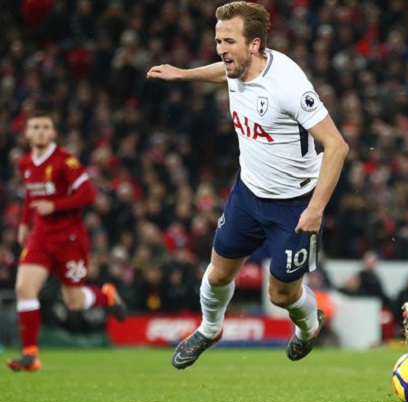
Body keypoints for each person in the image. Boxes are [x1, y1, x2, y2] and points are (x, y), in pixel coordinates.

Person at [146, 1, 348, 368]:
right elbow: (222, 73)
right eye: (218, 40)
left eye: (229, 42)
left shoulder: (287, 85)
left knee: (282, 294)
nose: (221, 49)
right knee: (219, 270)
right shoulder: (236, 68)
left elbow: (336, 146)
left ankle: (307, 328)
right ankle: (210, 328)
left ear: (254, 45)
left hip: (294, 204)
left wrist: (315, 210)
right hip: (249, 193)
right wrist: (184, 74)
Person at [8, 111, 127, 372]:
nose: (40, 131)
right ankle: (30, 354)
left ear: (53, 133)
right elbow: (30, 196)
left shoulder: (65, 161)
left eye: (45, 127)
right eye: (35, 127)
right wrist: (24, 224)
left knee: (73, 302)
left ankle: (105, 296)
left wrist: (55, 205)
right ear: (27, 134)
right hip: (40, 237)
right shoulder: (26, 163)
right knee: (24, 289)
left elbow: (88, 193)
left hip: (69, 238)